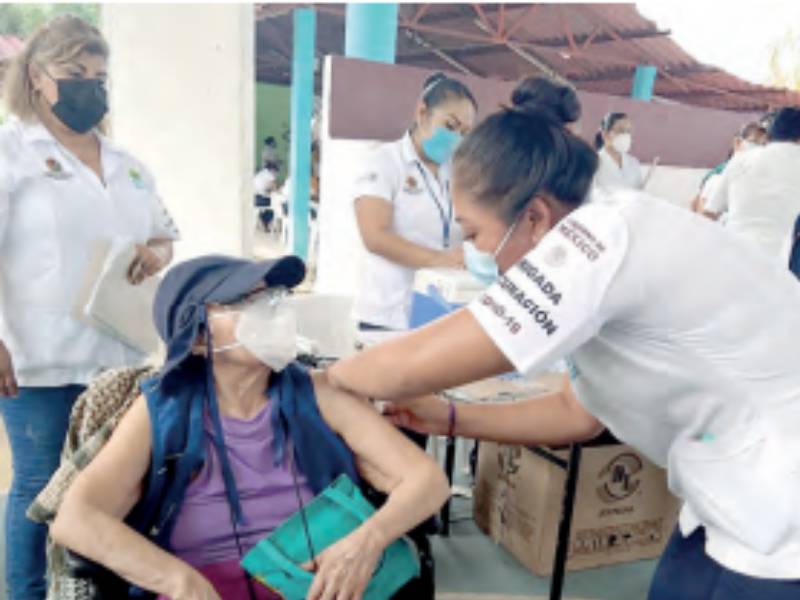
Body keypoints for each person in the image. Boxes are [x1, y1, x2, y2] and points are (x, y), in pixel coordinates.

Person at [326, 77, 800, 599]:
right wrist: (449, 417)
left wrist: (320, 381)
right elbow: (579, 413)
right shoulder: (594, 254)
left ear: (533, 217)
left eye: (473, 234)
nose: (475, 253)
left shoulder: (601, 236)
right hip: (731, 494)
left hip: (781, 501)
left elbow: (423, 358)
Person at [50, 255, 449, 600]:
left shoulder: (318, 392)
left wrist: (367, 541)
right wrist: (179, 579)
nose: (273, 308)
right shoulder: (162, 409)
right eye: (246, 300)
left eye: (274, 295)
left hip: (317, 581)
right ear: (197, 338)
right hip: (205, 586)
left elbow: (427, 481)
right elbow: (76, 519)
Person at [0, 15, 179, 599]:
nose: (89, 87)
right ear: (36, 77)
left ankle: (99, 590)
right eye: (75, 73)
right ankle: (26, 593)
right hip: (40, 354)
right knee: (37, 484)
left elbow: (163, 233)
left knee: (117, 487)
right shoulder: (10, 152)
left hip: (120, 357)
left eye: (99, 76)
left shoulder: (127, 162)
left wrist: (155, 254)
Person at [352, 72, 477, 344]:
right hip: (389, 315)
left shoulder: (457, 173)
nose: (456, 138)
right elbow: (374, 236)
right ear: (422, 113)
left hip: (441, 312)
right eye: (450, 125)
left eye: (464, 133)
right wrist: (439, 259)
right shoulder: (384, 163)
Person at [702, 107, 800, 261]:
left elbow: (708, 215)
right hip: (774, 266)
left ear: (770, 134)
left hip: (729, 256)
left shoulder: (740, 159)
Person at [693, 121, 767, 217]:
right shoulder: (716, 177)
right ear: (738, 142)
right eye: (754, 142)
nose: (758, 150)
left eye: (763, 145)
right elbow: (700, 211)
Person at [592, 112, 644, 193]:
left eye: (628, 131)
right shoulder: (594, 162)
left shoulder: (633, 163)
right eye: (621, 130)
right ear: (605, 134)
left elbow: (638, 192)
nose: (625, 135)